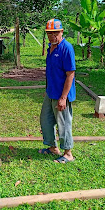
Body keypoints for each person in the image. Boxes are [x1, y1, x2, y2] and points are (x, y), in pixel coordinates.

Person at [39, 18, 76, 163]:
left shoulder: (66, 48)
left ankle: (68, 153)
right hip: (51, 92)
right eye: (49, 33)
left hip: (62, 95)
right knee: (46, 120)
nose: (52, 36)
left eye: (55, 33)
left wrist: (63, 98)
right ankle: (53, 147)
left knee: (63, 123)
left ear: (61, 32)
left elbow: (70, 74)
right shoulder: (50, 48)